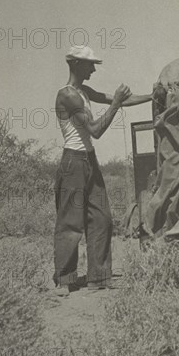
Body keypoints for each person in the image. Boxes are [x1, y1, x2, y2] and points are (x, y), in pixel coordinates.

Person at [53, 45, 152, 296]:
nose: (94, 69)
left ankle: (99, 277)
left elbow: (120, 100)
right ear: (76, 64)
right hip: (73, 161)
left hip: (88, 159)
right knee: (71, 222)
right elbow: (95, 130)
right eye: (90, 64)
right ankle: (65, 279)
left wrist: (153, 96)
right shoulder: (68, 95)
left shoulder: (83, 92)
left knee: (102, 219)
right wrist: (117, 103)